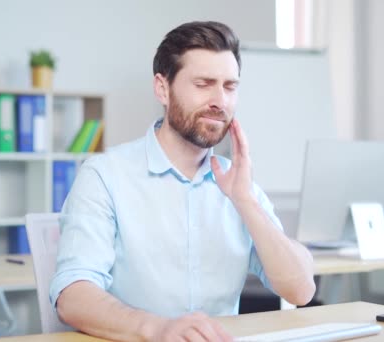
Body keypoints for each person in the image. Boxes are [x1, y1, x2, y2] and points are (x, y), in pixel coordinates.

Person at [50, 21, 316, 342]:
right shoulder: (104, 176)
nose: (221, 101)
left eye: (230, 86)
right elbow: (72, 295)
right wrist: (157, 329)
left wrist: (245, 202)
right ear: (163, 88)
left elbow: (300, 290)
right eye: (204, 84)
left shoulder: (238, 185)